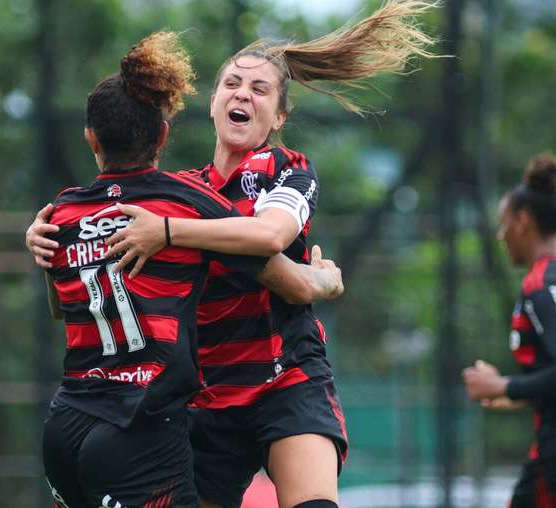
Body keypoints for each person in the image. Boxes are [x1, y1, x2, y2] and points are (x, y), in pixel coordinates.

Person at [29, 3, 437, 507]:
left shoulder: (285, 171)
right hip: (208, 396)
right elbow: (93, 244)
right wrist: (44, 238)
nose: (243, 93)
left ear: (280, 115)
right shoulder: (177, 191)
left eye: (259, 89)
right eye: (231, 85)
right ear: (212, 104)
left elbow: (268, 235)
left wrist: (170, 231)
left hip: (285, 378)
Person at [463, 154, 556, 508]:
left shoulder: (542, 284)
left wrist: (504, 386)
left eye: (503, 224)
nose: (500, 236)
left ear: (523, 221)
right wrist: (514, 393)